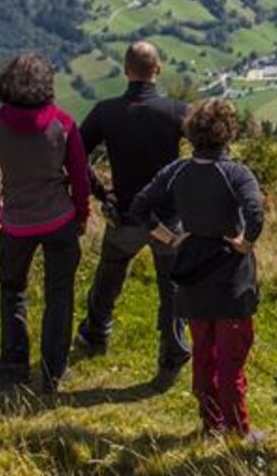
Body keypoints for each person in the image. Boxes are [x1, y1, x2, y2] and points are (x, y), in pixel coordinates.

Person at [131, 99, 265, 440]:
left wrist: (171, 238)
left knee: (203, 353)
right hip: (230, 273)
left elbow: (140, 207)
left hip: (191, 268)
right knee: (231, 357)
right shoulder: (236, 173)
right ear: (228, 133)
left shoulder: (177, 170)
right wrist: (245, 243)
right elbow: (256, 215)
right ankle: (239, 429)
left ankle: (211, 425)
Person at [74, 41, 191, 385]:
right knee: (171, 288)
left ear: (126, 71)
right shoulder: (176, 111)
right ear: (158, 70)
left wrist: (100, 192)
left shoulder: (106, 111)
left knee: (109, 275)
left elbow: (75, 157)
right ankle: (171, 357)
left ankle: (95, 335)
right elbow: (208, 153)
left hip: (124, 211)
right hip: (167, 216)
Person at [0, 53, 90, 394]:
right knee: (60, 294)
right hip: (59, 219)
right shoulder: (64, 123)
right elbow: (80, 176)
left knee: (13, 288)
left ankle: (14, 362)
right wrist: (82, 213)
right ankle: (54, 371)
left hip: (16, 222)